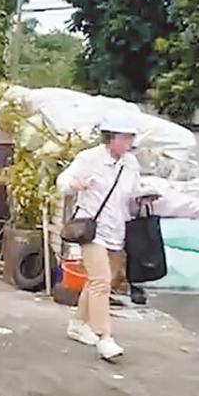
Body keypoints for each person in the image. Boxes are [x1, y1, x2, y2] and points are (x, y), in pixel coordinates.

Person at [57, 113, 141, 361]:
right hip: (92, 229)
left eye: (131, 137)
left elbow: (133, 192)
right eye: (125, 137)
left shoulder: (131, 164)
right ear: (111, 138)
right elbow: (63, 182)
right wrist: (76, 185)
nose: (129, 142)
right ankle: (105, 337)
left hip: (117, 229)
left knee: (101, 281)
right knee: (101, 281)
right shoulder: (89, 158)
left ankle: (78, 323)